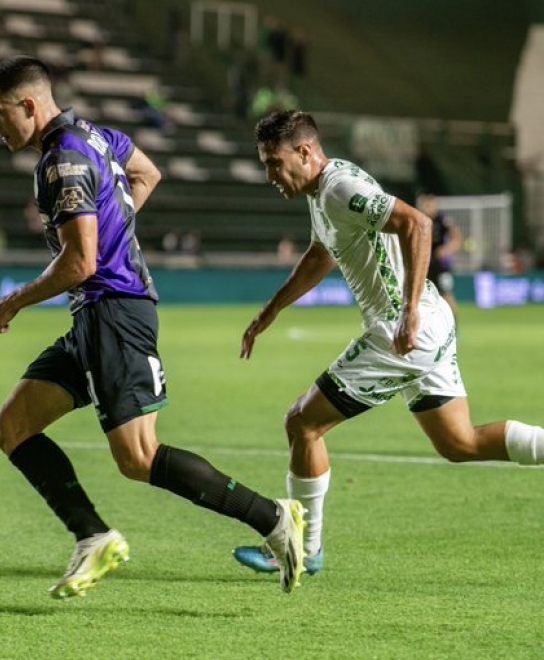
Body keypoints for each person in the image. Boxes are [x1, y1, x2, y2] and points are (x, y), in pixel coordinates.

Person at [0, 56, 305, 598]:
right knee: (11, 426)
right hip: (95, 314)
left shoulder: (62, 160)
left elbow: (80, 263)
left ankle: (273, 518)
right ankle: (92, 538)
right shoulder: (99, 136)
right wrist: (115, 227)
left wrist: (13, 302)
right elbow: (146, 172)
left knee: (139, 458)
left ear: (29, 106)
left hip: (114, 311)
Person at [232, 109, 544, 580]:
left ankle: (300, 547)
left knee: (302, 423)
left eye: (274, 163)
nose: (271, 175)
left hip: (403, 331)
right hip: (426, 326)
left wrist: (410, 309)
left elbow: (417, 224)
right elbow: (321, 256)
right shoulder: (323, 193)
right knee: (460, 442)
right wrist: (271, 311)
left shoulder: (340, 187)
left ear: (304, 152)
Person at [417, 193, 464, 320]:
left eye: (430, 205)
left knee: (447, 296)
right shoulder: (418, 220)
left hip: (441, 266)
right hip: (423, 265)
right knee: (421, 298)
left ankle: (454, 330)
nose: (427, 208)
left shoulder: (443, 220)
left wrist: (446, 249)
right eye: (425, 205)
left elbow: (458, 238)